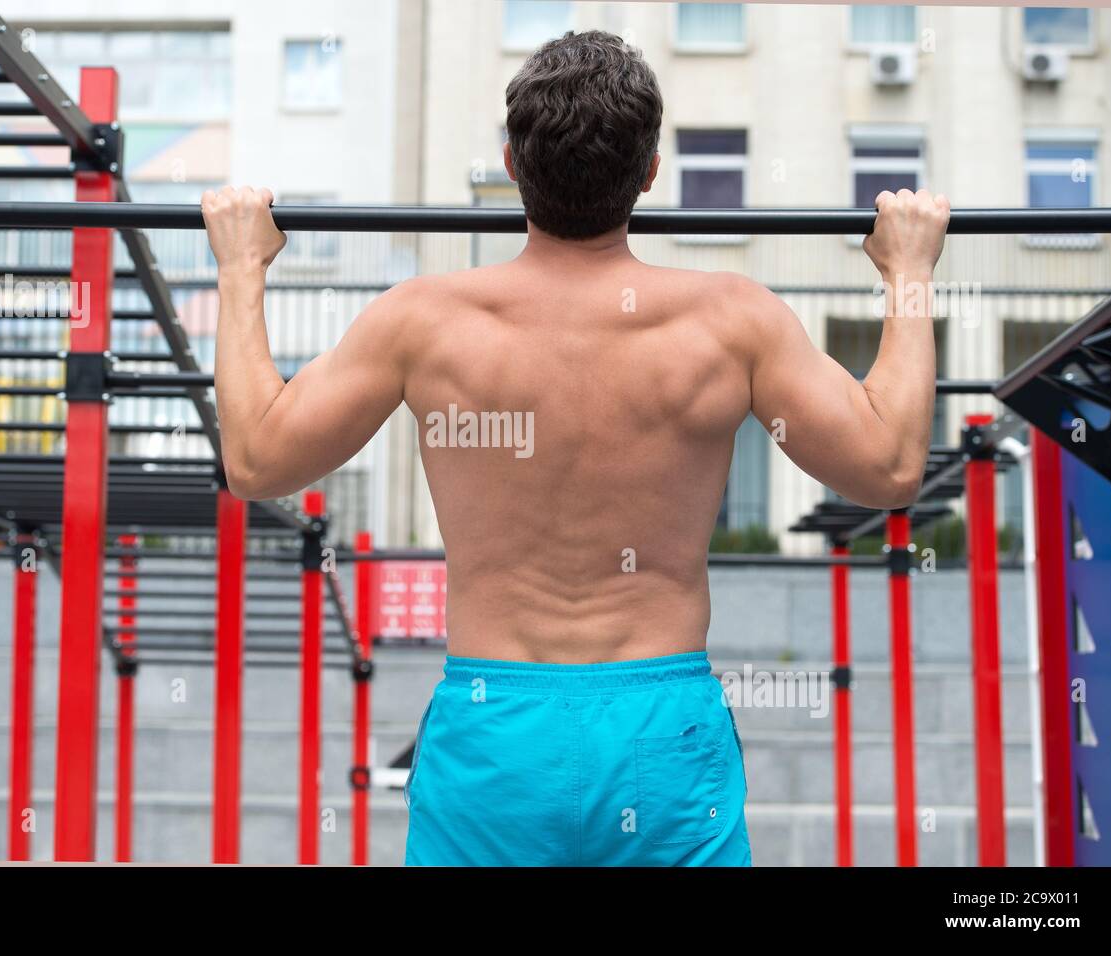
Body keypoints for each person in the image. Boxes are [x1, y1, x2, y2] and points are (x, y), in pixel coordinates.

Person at [201, 29, 949, 866]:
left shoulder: (424, 322)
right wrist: (908, 274)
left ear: (514, 165)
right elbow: (889, 467)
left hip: (496, 730)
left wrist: (241, 269)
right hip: (660, 734)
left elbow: (257, 460)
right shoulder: (731, 321)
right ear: (651, 171)